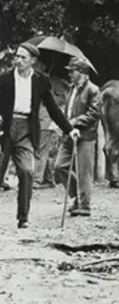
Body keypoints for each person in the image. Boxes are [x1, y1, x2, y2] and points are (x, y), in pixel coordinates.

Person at [0, 43, 77, 228]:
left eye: (23, 58)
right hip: (5, 129)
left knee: (26, 172)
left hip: (27, 130)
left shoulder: (41, 81)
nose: (18, 61)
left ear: (33, 61)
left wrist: (69, 129)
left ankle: (23, 218)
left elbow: (52, 108)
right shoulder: (4, 79)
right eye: (17, 57)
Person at [53, 57, 101, 217]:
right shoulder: (72, 89)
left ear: (82, 72)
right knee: (60, 166)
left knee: (84, 171)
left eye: (72, 71)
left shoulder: (93, 90)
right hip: (69, 133)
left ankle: (84, 205)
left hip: (85, 136)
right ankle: (77, 197)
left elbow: (94, 114)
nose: (69, 74)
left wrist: (74, 122)